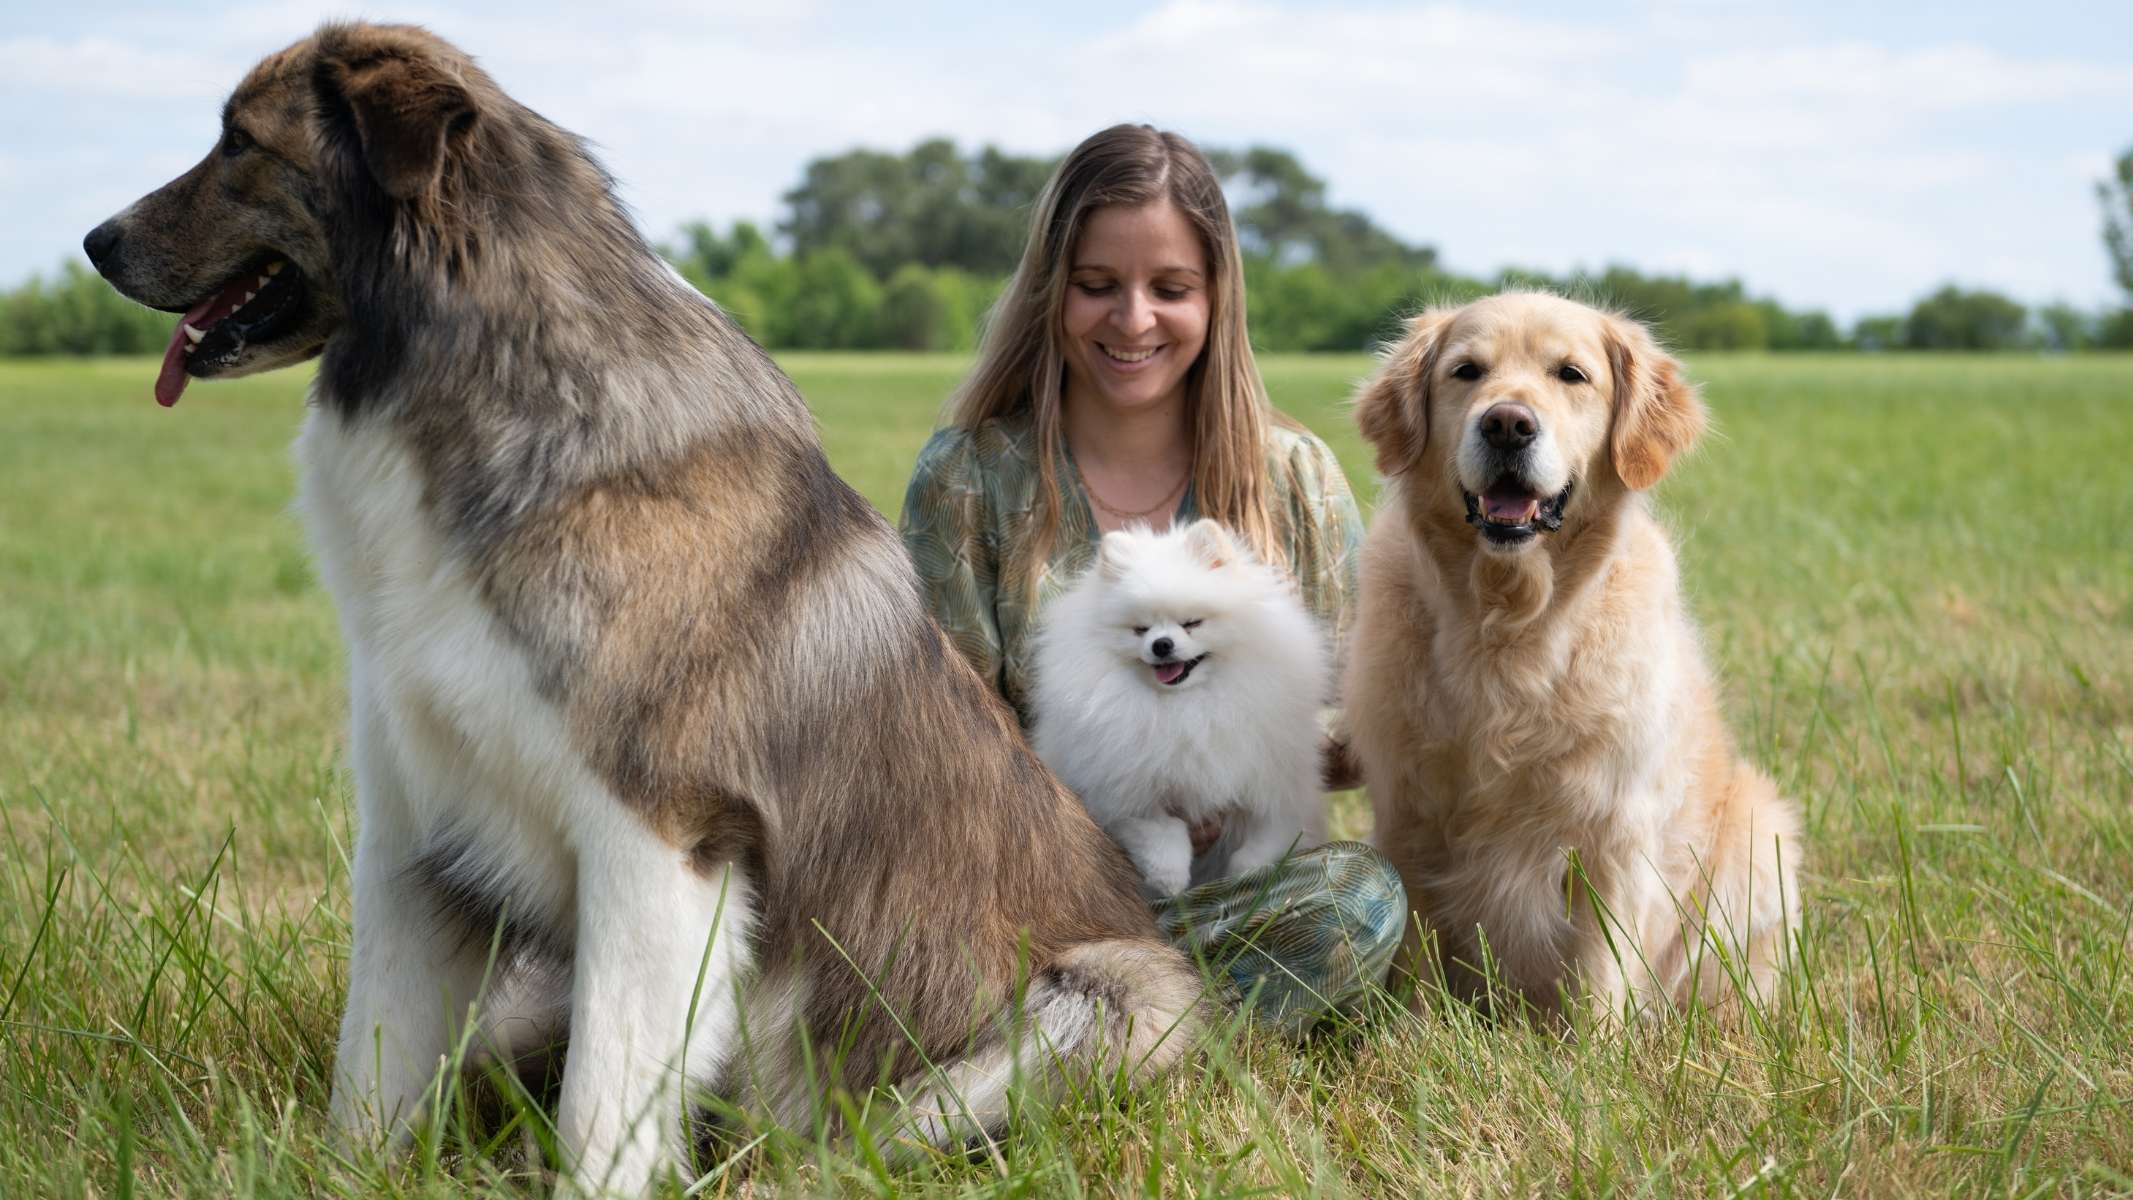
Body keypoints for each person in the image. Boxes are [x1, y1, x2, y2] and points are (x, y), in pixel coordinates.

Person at [898, 123, 1403, 1030]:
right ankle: (1132, 1019)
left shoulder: (1291, 474)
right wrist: (1114, 808)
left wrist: (1232, 778)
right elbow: (931, 746)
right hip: (1030, 892)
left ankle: (1097, 1028)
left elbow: (1365, 722)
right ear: (1052, 293)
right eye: (1097, 287)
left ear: (1216, 300)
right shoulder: (967, 476)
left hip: (1237, 888)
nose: (1132, 321)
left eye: (1169, 289)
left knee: (1357, 902)